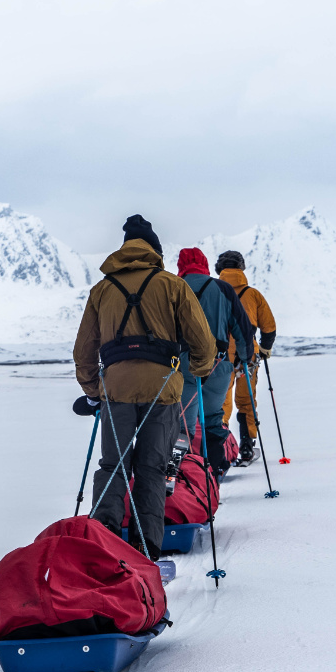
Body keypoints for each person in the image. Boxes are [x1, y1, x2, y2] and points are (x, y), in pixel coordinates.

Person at [73, 215, 216, 559]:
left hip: (116, 389)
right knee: (152, 468)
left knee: (113, 466)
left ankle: (104, 543)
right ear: (155, 249)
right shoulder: (171, 284)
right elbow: (203, 343)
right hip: (162, 388)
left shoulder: (102, 290)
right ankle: (146, 547)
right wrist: (200, 369)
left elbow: (83, 350)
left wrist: (95, 390)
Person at [175, 247, 255, 477]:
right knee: (212, 420)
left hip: (184, 366)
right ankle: (215, 473)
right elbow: (243, 329)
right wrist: (244, 358)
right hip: (218, 366)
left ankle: (186, 479)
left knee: (183, 427)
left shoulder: (173, 287)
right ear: (205, 265)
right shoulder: (223, 289)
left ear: (181, 266)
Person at [216, 250, 277, 463]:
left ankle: (219, 447)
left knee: (220, 402)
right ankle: (247, 446)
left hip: (220, 356)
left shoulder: (214, 291)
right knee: (247, 400)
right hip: (247, 356)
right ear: (241, 268)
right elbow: (269, 327)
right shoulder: (253, 294)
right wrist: (265, 349)